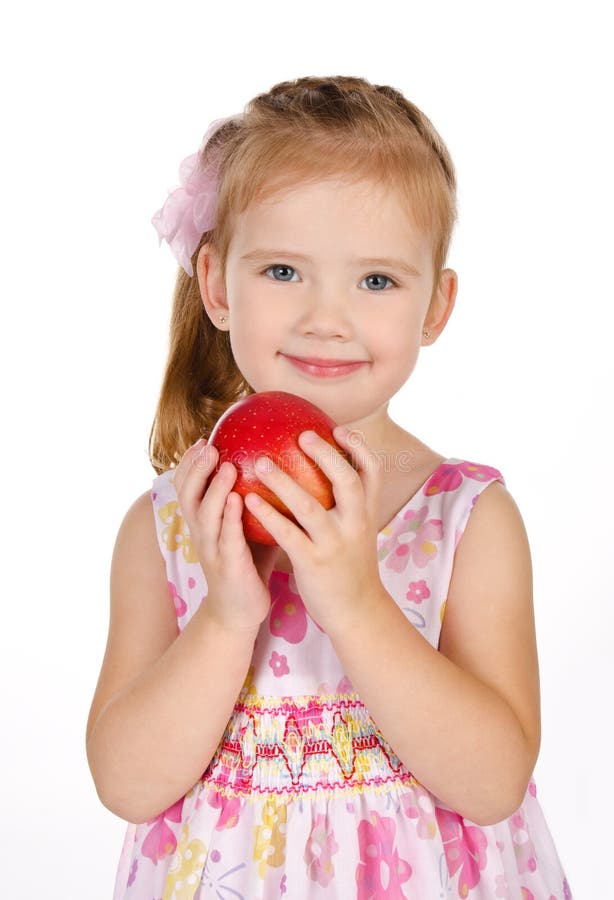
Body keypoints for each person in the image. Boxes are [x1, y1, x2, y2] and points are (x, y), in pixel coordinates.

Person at [86, 75, 571, 899]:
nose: (327, 317)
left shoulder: (466, 521)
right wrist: (226, 614)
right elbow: (128, 785)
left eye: (376, 281)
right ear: (215, 286)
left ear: (435, 307)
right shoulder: (170, 526)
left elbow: (493, 784)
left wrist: (355, 602)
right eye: (282, 270)